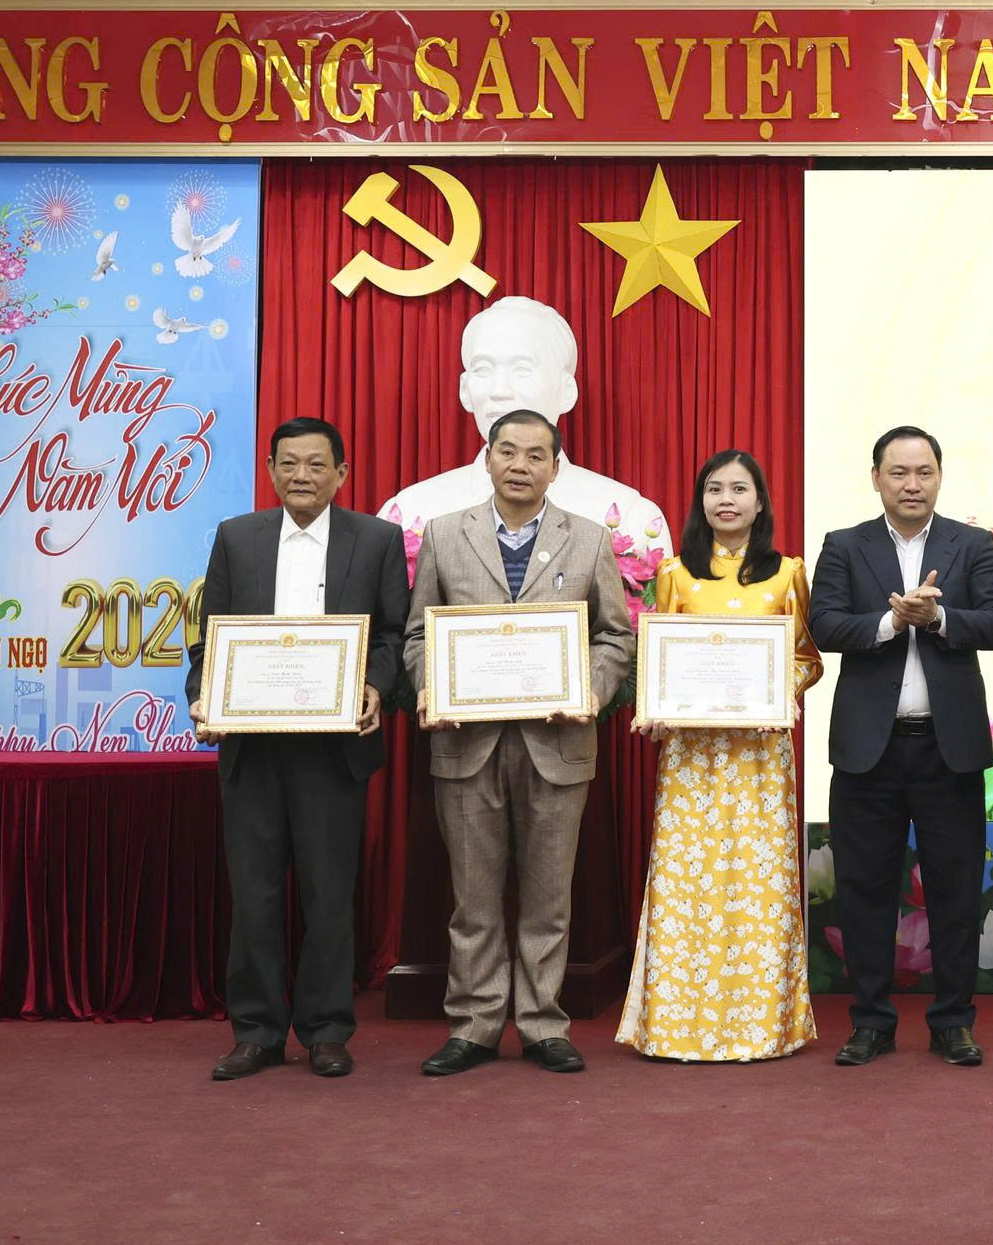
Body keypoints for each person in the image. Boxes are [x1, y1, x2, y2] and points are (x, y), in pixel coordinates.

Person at [404, 408, 635, 1078]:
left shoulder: (588, 538)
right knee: (473, 901)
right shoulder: (444, 534)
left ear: (555, 468)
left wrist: (591, 688)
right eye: (508, 451)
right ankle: (473, 1025)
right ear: (487, 458)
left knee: (548, 900)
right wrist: (430, 684)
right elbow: (418, 634)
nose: (520, 465)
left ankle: (542, 1024)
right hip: (465, 743)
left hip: (557, 743)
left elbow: (615, 635)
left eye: (536, 455)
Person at [187, 416, 407, 1082]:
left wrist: (374, 687)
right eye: (288, 463)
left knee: (329, 896)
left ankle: (326, 1031)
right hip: (253, 747)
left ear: (342, 473)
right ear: (270, 470)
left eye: (316, 464)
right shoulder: (237, 537)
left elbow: (393, 635)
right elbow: (209, 638)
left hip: (334, 750)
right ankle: (256, 1032)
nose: (301, 476)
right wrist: (204, 698)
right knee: (254, 896)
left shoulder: (376, 540)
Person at [811, 426, 993, 1067]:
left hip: (947, 749)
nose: (911, 484)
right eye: (898, 472)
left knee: (955, 890)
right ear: (876, 478)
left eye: (924, 472)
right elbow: (824, 624)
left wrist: (940, 619)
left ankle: (953, 1021)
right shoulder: (844, 545)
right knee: (864, 890)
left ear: (939, 477)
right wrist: (891, 621)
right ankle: (871, 1022)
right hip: (868, 751)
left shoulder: (972, 544)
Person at [617, 450, 823, 1061]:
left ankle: (763, 1028)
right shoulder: (675, 574)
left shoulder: (787, 574)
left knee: (759, 887)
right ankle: (675, 1027)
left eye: (739, 489)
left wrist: (778, 690)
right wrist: (653, 703)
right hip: (691, 755)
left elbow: (808, 657)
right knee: (687, 885)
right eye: (714, 489)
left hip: (759, 756)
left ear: (760, 502)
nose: (726, 500)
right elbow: (656, 658)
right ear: (700, 501)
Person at [378, 295, 671, 596]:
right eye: (483, 369)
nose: (499, 391)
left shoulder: (631, 518)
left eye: (522, 370)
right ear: (465, 389)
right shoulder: (411, 513)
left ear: (567, 390)